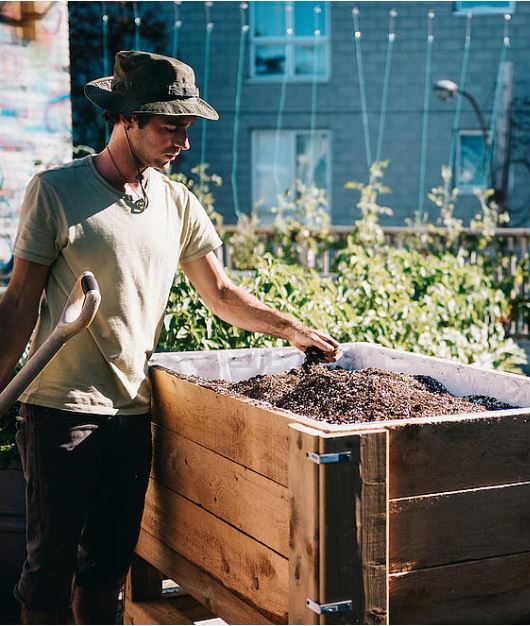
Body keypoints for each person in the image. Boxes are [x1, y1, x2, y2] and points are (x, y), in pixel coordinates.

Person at [0, 50, 342, 625]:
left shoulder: (177, 203)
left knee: (107, 569)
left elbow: (222, 293)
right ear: (127, 119)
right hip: (60, 410)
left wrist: (292, 328)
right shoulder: (55, 192)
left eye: (187, 126)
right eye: (170, 126)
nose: (183, 140)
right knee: (48, 573)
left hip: (133, 411)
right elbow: (19, 303)